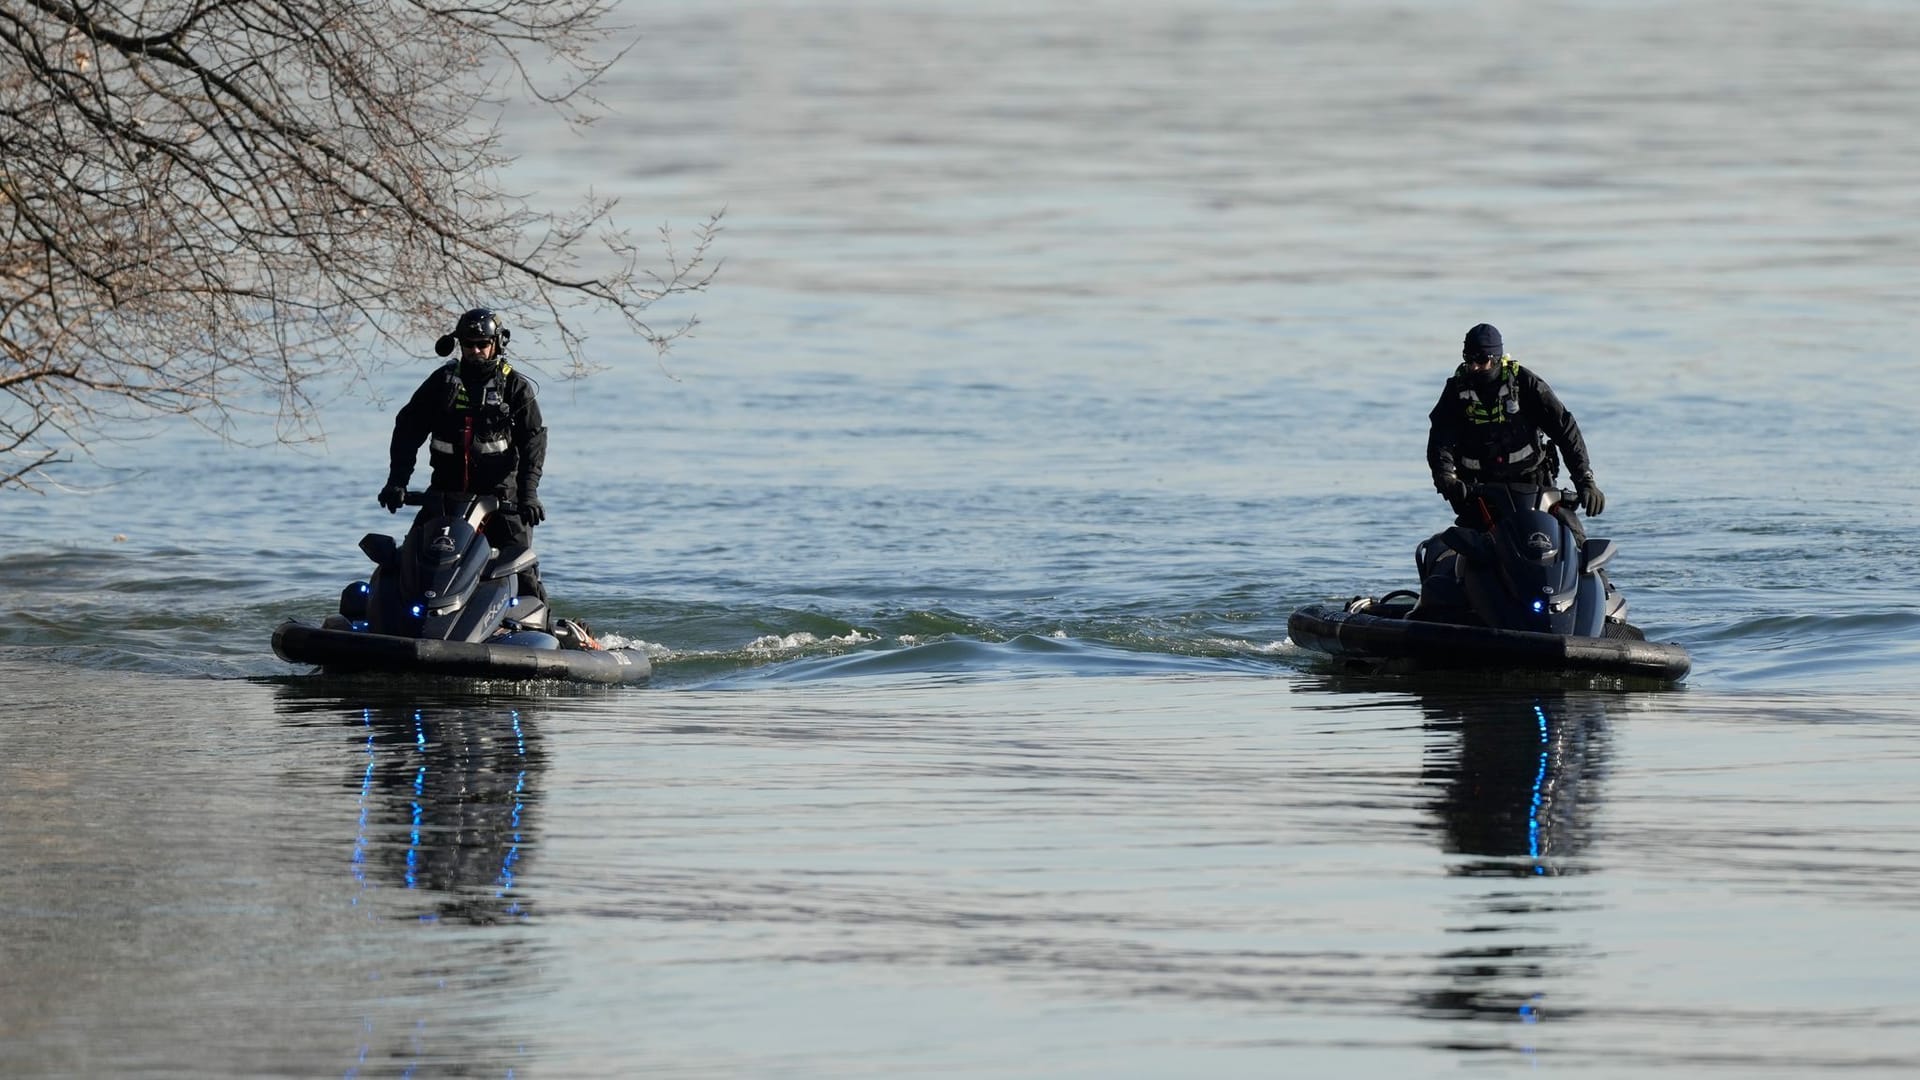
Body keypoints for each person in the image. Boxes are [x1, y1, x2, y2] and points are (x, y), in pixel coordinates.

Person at [378, 307, 549, 600]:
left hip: (501, 500)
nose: (475, 350)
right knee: (409, 559)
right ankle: (396, 619)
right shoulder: (441, 383)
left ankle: (541, 629)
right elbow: (407, 430)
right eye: (468, 344)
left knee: (521, 569)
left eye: (482, 344)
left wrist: (528, 494)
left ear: (497, 343)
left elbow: (533, 442)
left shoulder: (515, 387)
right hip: (445, 495)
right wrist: (397, 481)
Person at [1427, 323, 1604, 541]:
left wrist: (1585, 480)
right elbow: (1440, 440)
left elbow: (1566, 430)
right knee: (1460, 545)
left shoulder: (1526, 385)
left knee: (1572, 536)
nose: (1473, 367)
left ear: (1496, 358)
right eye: (1468, 359)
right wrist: (1447, 479)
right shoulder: (1456, 391)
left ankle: (1586, 571)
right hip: (1481, 493)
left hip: (1534, 488)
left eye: (1481, 360)